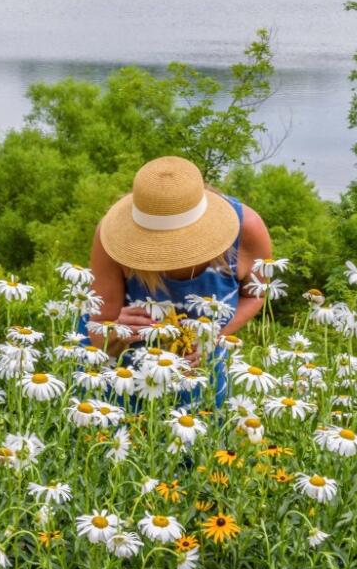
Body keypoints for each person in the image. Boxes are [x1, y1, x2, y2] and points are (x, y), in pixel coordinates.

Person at [83, 155, 272, 409]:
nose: (170, 256)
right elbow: (97, 330)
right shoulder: (111, 239)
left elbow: (256, 294)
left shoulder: (246, 229)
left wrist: (214, 337)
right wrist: (116, 330)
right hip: (127, 376)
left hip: (200, 366)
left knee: (207, 440)